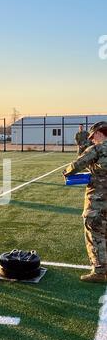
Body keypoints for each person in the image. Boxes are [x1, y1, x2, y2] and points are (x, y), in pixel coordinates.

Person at [63, 121, 107, 283]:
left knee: (95, 233)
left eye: (92, 136)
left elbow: (77, 164)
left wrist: (66, 172)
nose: (92, 139)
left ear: (98, 134)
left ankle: (100, 271)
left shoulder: (97, 149)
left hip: (98, 201)